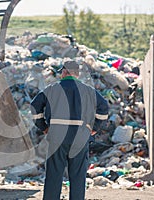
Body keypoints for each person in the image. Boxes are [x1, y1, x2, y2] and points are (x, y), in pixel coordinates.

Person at [30, 60, 109, 200]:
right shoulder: (89, 91)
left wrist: (44, 127)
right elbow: (103, 108)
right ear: (77, 74)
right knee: (78, 175)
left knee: (54, 174)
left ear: (65, 72)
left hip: (57, 136)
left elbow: (35, 107)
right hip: (80, 136)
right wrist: (94, 128)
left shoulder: (51, 89)